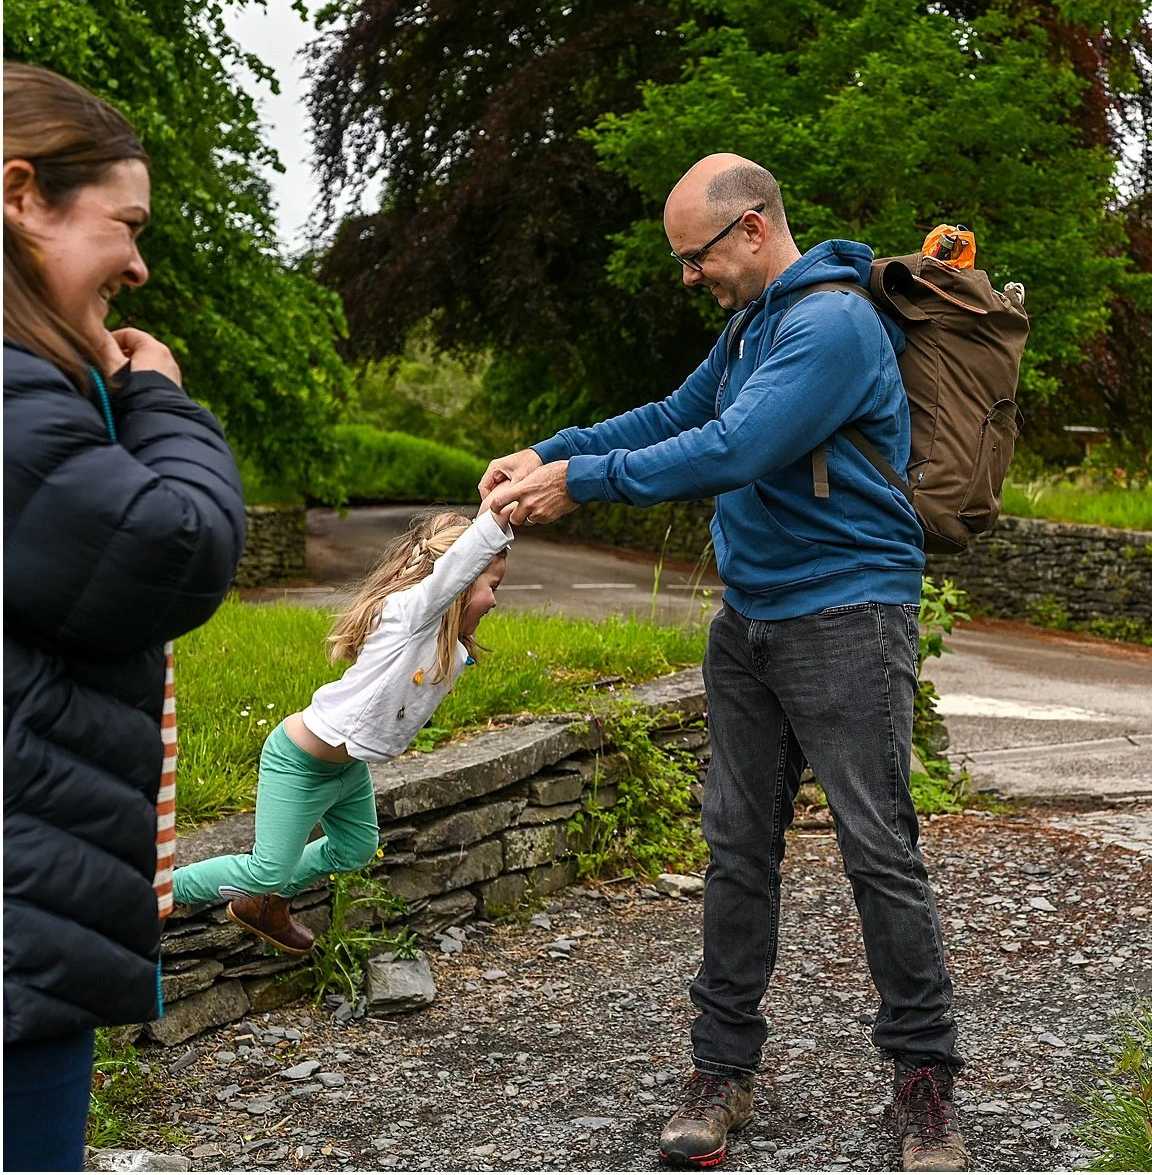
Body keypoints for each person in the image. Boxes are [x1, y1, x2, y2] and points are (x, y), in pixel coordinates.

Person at [480, 155, 967, 1172]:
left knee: (877, 850)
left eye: (695, 256)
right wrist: (550, 451)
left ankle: (924, 1083)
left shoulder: (830, 326)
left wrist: (584, 482)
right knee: (736, 848)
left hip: (847, 614)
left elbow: (734, 448)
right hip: (749, 621)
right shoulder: (752, 326)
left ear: (751, 227)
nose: (688, 276)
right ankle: (720, 1070)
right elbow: (675, 416)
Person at [4, 62, 246, 1171]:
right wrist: (161, 399)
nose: (139, 265)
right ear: (22, 196)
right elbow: (171, 550)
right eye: (126, 225)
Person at [173, 506, 514, 951]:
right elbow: (456, 568)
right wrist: (499, 516)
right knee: (266, 870)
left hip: (346, 768)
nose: (495, 601)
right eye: (492, 587)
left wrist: (507, 516)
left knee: (355, 848)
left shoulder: (442, 641)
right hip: (299, 762)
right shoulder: (410, 617)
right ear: (461, 582)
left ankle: (264, 906)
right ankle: (160, 893)